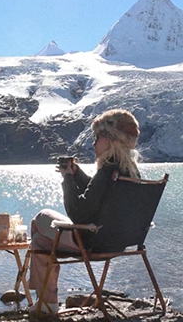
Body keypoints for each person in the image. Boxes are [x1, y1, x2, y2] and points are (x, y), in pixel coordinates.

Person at [28, 109, 141, 313]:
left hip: (92, 241)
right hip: (120, 242)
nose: (94, 143)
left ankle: (47, 303)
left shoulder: (108, 170)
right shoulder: (129, 171)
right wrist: (77, 174)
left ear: (109, 138)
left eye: (97, 137)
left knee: (40, 221)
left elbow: (78, 213)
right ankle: (46, 304)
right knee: (39, 242)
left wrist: (67, 178)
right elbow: (99, 196)